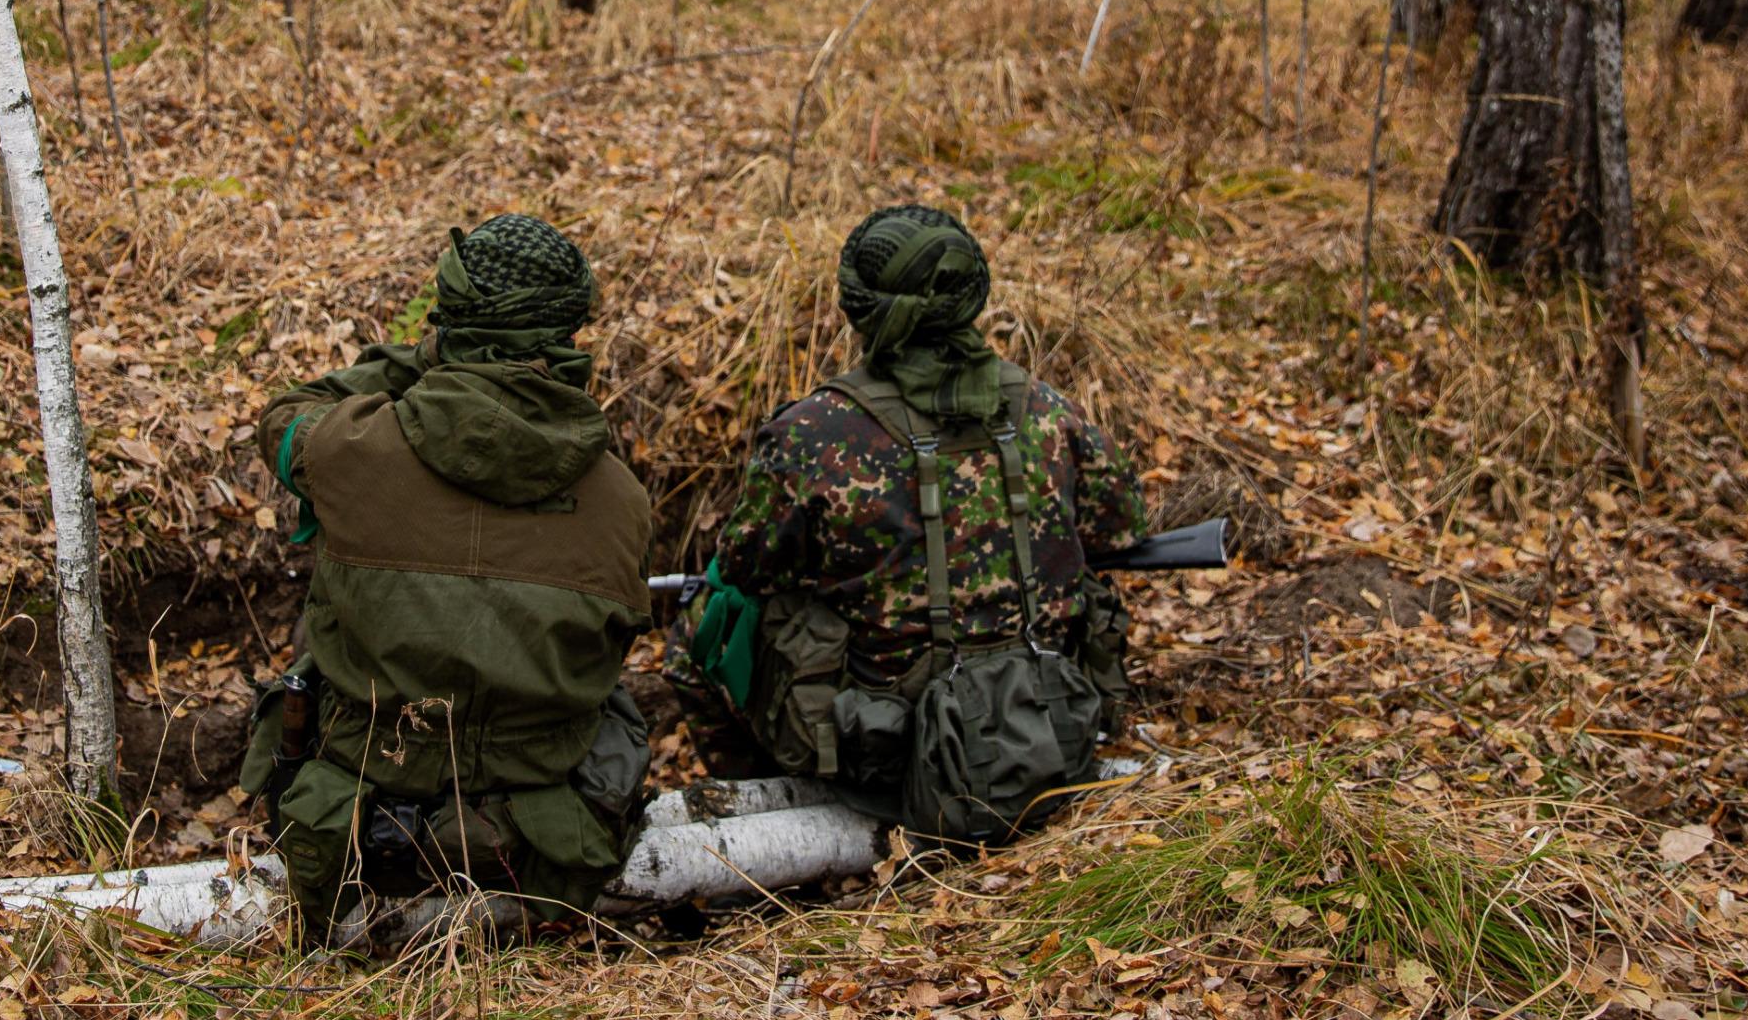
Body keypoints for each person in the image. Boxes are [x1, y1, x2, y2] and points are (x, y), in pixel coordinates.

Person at [246, 215, 652, 944]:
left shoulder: (349, 450)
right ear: (569, 333)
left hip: (360, 828)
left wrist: (427, 358)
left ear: (451, 319)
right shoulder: (623, 503)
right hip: (540, 847)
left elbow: (282, 416)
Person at [687, 203, 1146, 844]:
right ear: (971, 298)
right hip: (1048, 725)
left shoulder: (811, 434)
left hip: (882, 753)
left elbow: (745, 567)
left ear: (859, 308)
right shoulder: (1048, 410)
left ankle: (761, 814)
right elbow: (1119, 531)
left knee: (707, 619)